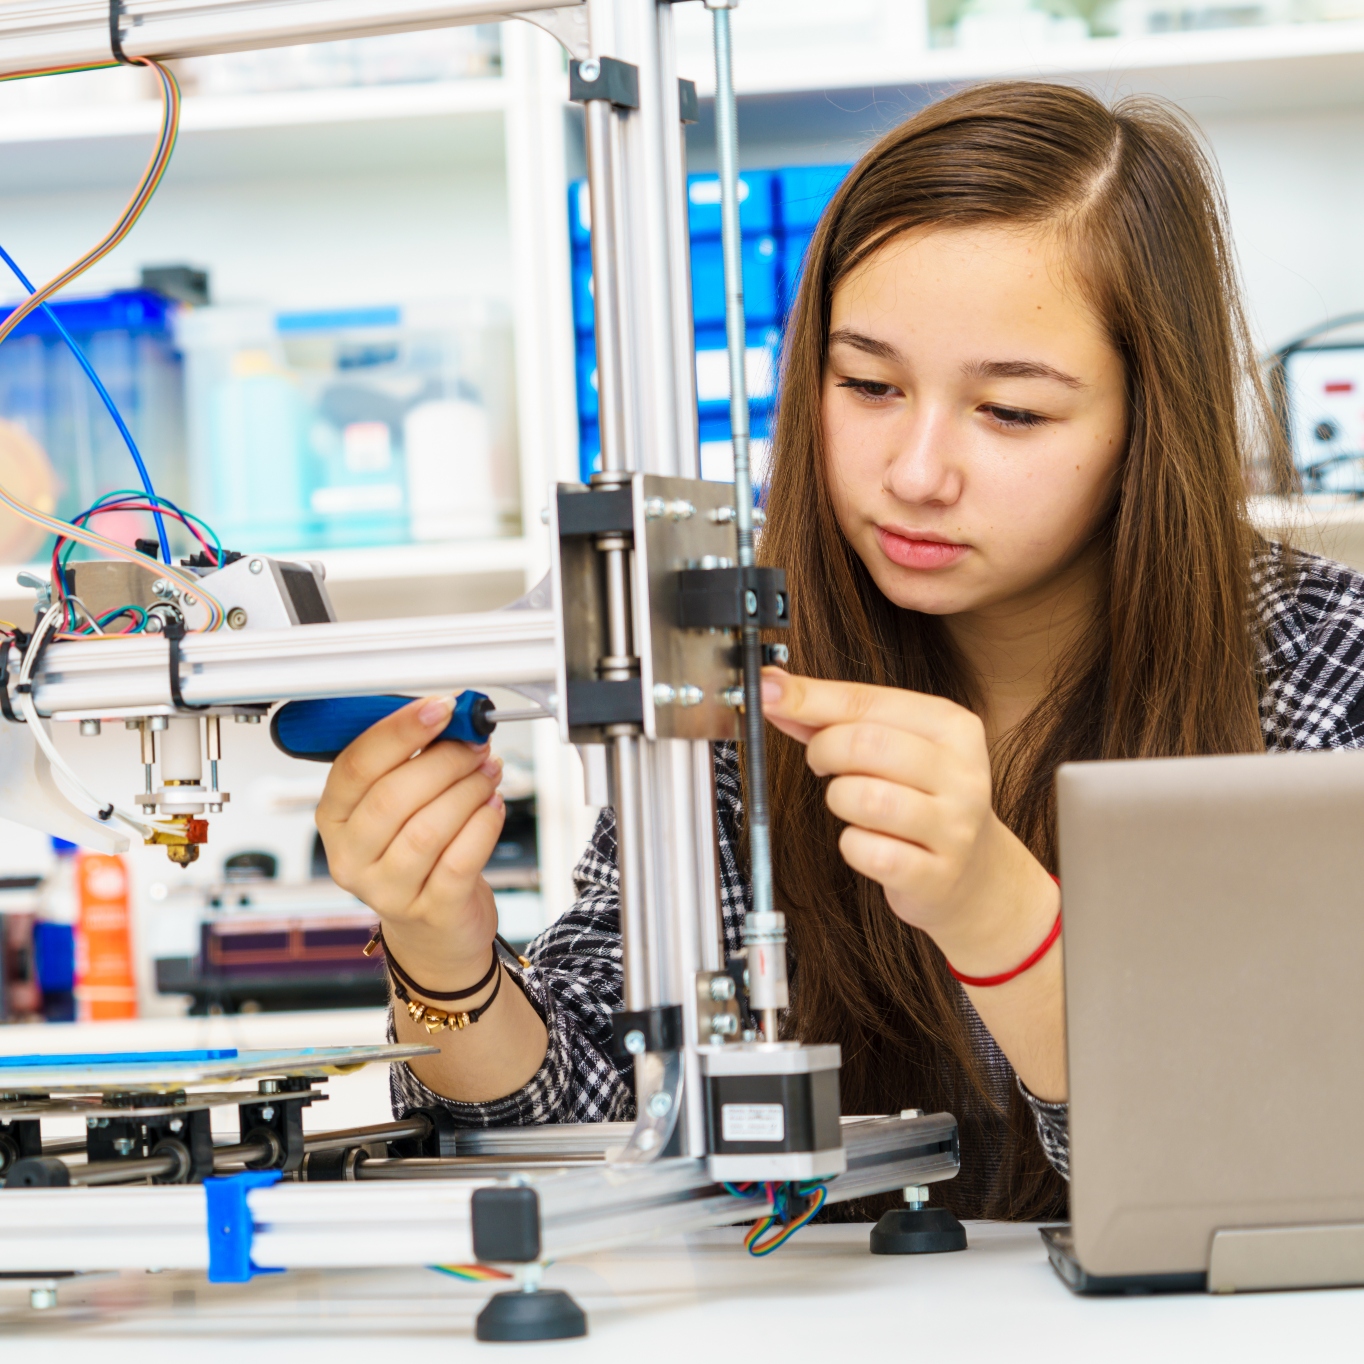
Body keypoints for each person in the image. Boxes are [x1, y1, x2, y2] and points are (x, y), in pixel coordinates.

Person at [315, 82, 1364, 1221]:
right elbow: (591, 1112)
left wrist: (995, 910)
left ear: (1147, 418)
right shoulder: (745, 663)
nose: (914, 470)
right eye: (866, 384)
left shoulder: (1323, 672)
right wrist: (438, 942)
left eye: (1009, 411)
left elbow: (1275, 1171)